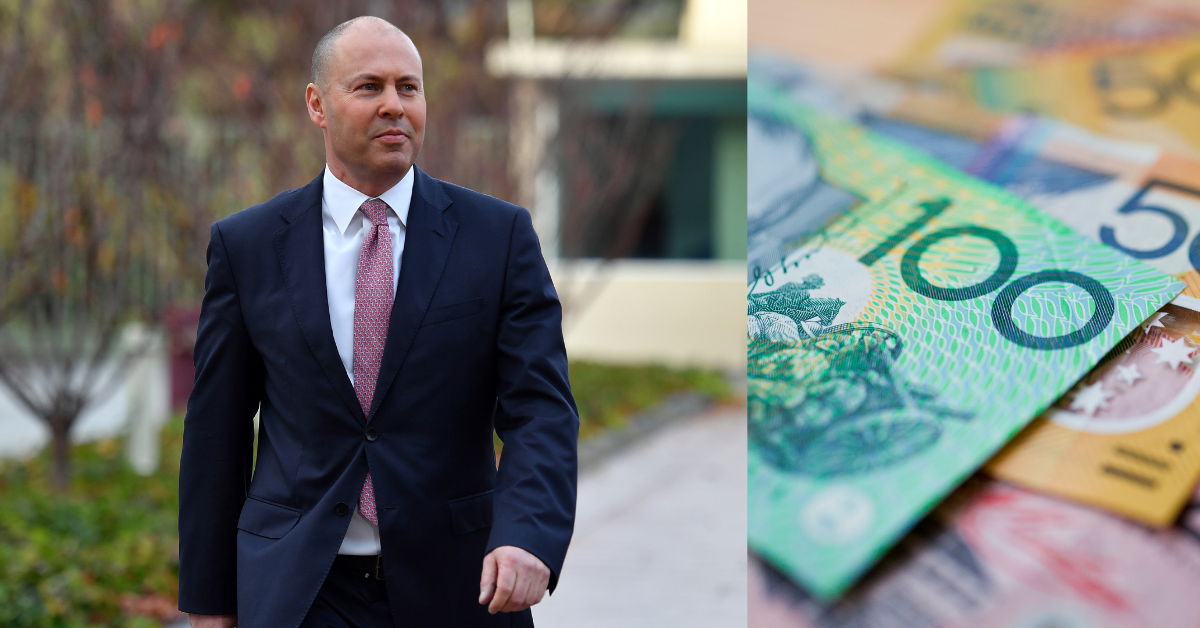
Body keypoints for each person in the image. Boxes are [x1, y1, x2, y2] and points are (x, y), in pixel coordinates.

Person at [177, 16, 578, 628]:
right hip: (301, 590)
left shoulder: (498, 238)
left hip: (461, 586)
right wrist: (210, 604)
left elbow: (541, 407)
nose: (395, 105)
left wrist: (528, 535)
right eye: (369, 87)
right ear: (318, 104)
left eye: (408, 88)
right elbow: (217, 432)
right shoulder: (249, 246)